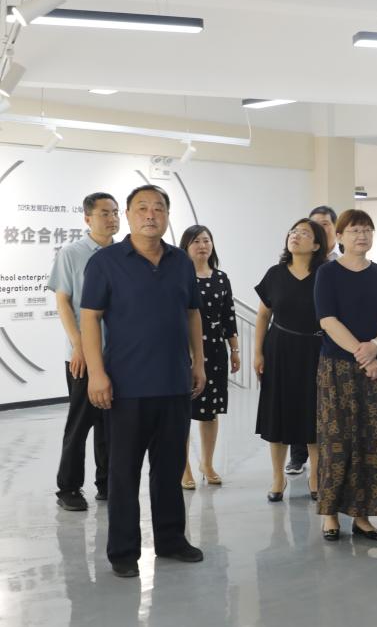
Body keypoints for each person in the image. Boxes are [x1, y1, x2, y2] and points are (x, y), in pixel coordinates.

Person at [79, 184, 207, 578]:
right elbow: (89, 317)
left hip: (174, 383)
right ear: (129, 215)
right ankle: (123, 551)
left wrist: (199, 363)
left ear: (167, 215)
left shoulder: (180, 262)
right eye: (142, 208)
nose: (150, 215)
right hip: (126, 386)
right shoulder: (105, 262)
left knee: (169, 468)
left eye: (158, 208)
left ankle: (171, 540)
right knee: (124, 472)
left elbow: (192, 314)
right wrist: (97, 373)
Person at [315, 209, 377, 542]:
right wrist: (363, 354)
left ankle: (362, 516)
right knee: (338, 441)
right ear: (340, 236)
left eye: (367, 230)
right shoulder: (327, 272)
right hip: (339, 368)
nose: (362, 235)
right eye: (355, 230)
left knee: (374, 441)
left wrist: (375, 346)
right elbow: (328, 320)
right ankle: (330, 514)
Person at [48, 192, 119, 511]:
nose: (112, 218)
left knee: (111, 424)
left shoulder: (124, 254)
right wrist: (79, 345)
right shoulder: (72, 253)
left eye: (115, 212)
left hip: (118, 354)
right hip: (83, 356)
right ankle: (69, 488)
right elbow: (63, 302)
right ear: (87, 218)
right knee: (80, 423)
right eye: (105, 213)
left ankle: (107, 482)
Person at [254, 219, 327, 502]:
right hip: (279, 349)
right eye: (293, 232)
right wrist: (258, 352)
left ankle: (316, 475)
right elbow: (263, 315)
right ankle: (277, 477)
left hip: (315, 350)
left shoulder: (325, 274)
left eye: (304, 233)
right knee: (277, 414)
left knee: (314, 414)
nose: (295, 236)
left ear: (316, 245)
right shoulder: (275, 273)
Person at [178, 225, 240, 489]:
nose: (202, 245)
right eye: (196, 241)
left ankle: (207, 463)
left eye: (206, 240)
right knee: (182, 412)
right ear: (186, 247)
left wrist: (234, 349)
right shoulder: (179, 277)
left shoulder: (221, 278)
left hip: (215, 350)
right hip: (184, 350)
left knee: (210, 412)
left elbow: (229, 316)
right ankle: (183, 468)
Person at [286, 205, 340, 476]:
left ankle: (327, 460)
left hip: (327, 342)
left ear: (334, 228)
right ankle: (297, 456)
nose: (319, 227)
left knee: (322, 402)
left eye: (325, 224)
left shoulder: (339, 264)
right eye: (313, 223)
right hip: (298, 343)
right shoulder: (294, 263)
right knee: (299, 398)